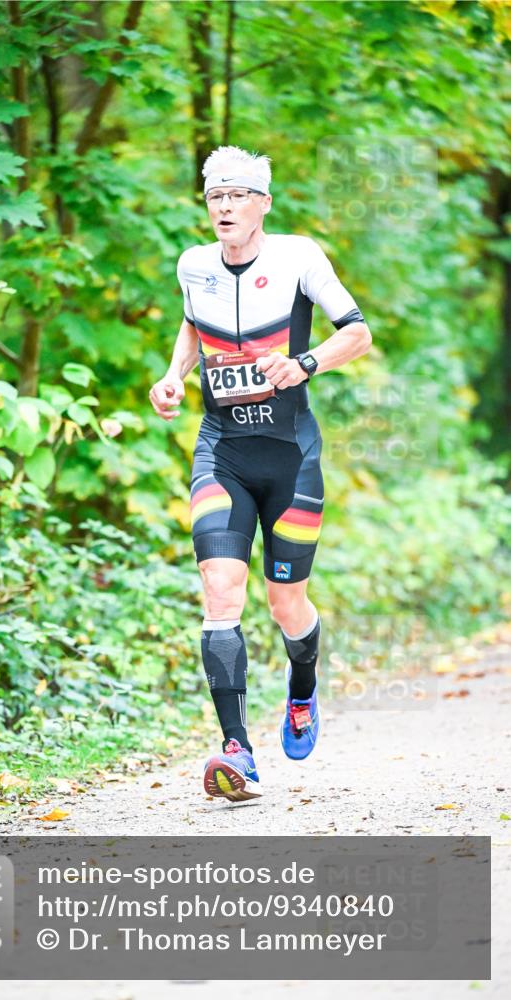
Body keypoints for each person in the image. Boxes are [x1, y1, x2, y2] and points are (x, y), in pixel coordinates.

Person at [149, 146, 372, 802]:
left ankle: (302, 689)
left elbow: (357, 333)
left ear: (262, 204)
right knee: (221, 592)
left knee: (285, 603)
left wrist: (304, 364)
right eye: (214, 196)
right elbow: (192, 328)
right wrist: (173, 376)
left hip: (290, 456)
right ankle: (237, 751)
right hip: (221, 451)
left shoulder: (298, 257)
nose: (224, 207)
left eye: (237, 196)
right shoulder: (193, 265)